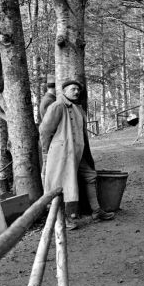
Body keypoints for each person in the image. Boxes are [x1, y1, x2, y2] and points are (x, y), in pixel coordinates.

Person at [39, 80, 114, 230]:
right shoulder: (57, 106)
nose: (76, 92)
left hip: (78, 153)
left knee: (90, 176)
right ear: (64, 91)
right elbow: (45, 131)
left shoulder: (77, 108)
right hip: (62, 153)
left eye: (78, 90)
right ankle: (63, 219)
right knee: (60, 185)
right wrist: (47, 152)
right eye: (73, 89)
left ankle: (96, 211)